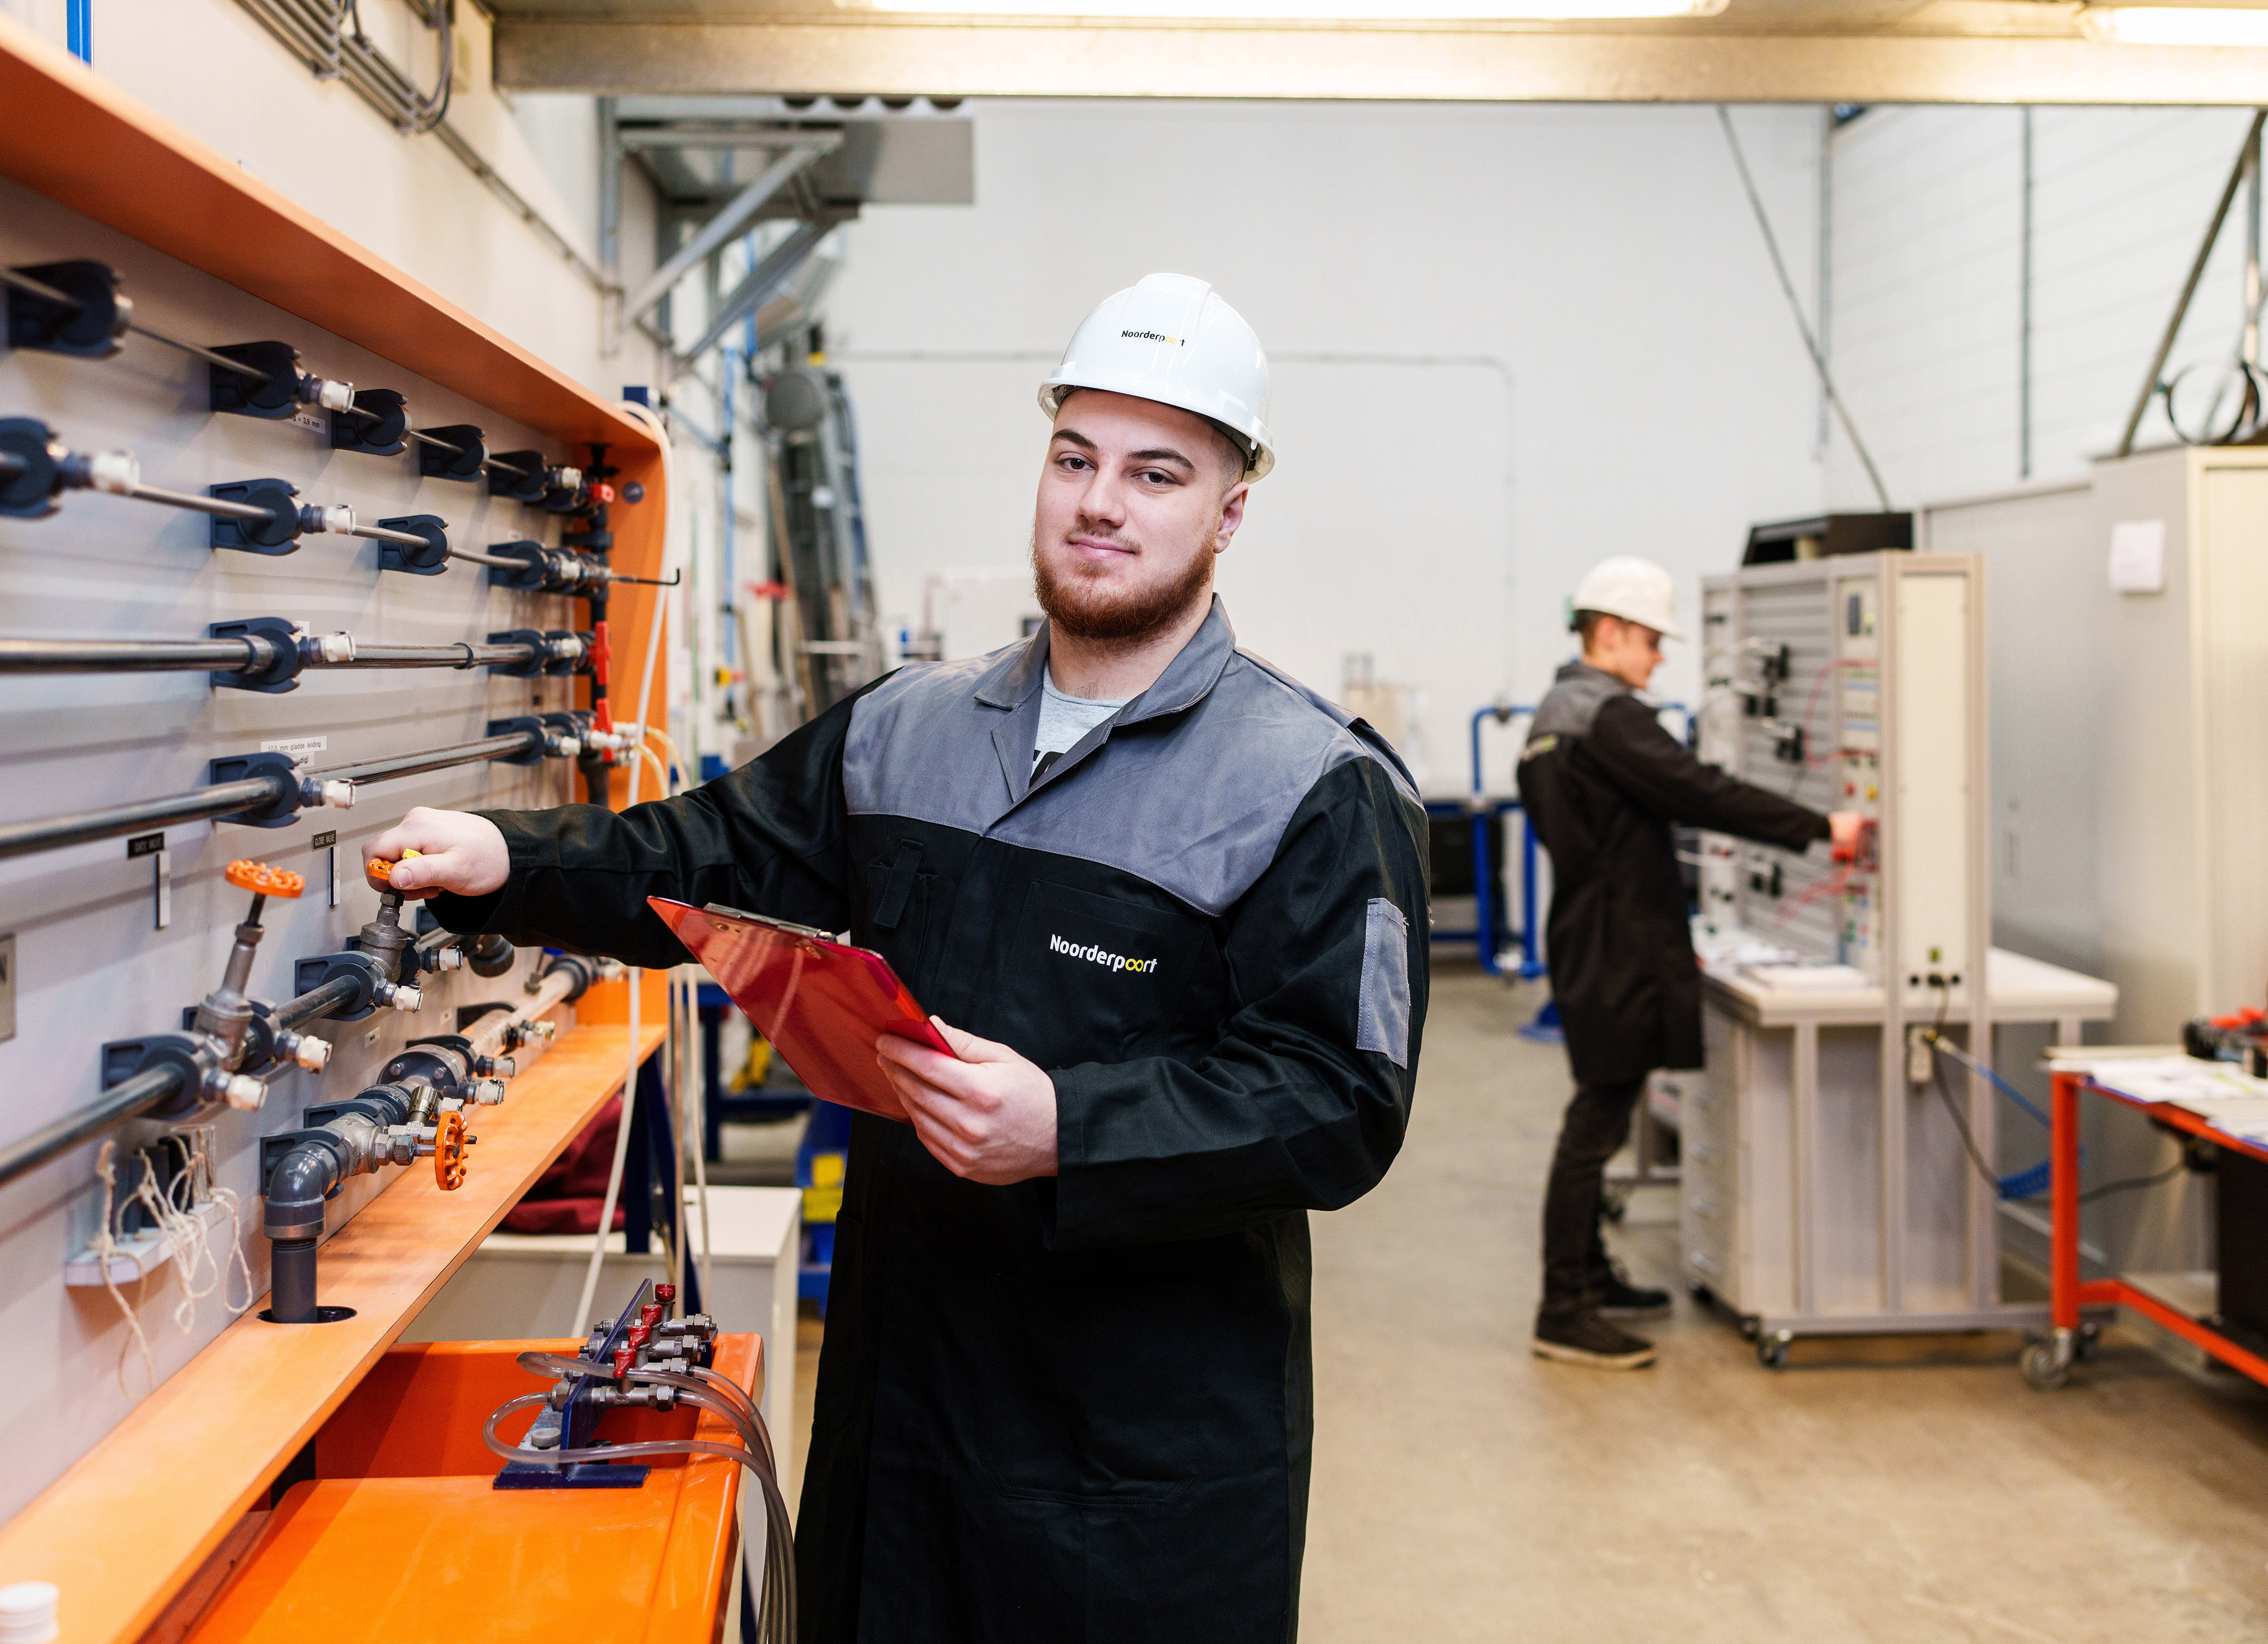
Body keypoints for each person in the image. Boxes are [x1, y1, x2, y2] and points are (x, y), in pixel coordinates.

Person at [370, 272, 1430, 1641]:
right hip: (906, 1404)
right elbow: (707, 859)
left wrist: (1071, 1127)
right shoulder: (905, 731)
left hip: (1136, 1458)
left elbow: (1341, 1101)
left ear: (1227, 512)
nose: (1099, 502)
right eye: (1074, 457)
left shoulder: (1310, 785)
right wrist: (512, 862)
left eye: (1155, 472)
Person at [1514, 556, 1858, 1370]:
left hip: (1586, 931)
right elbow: (1702, 792)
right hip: (1623, 943)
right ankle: (1564, 1309)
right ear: (1610, 633)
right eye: (1652, 642)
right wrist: (1821, 828)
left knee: (1601, 1111)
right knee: (1595, 1123)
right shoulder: (1612, 716)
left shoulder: (1551, 714)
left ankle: (1591, 1281)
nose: (1660, 659)